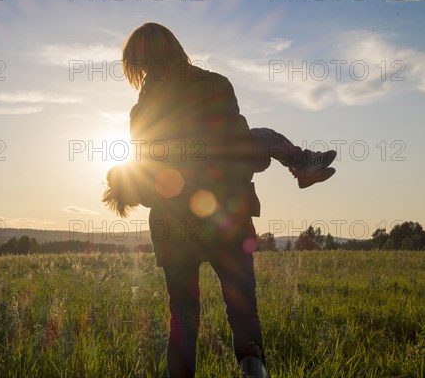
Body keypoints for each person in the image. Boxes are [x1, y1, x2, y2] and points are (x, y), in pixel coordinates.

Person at [112, 22, 335, 378]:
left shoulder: (142, 112)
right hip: (226, 215)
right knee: (243, 311)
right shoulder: (216, 84)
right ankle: (301, 162)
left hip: (173, 224)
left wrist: (126, 185)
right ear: (176, 50)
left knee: (183, 317)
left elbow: (149, 169)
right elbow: (235, 145)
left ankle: (300, 162)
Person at [103, 128, 336, 218]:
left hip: (225, 173)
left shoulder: (149, 190)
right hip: (226, 168)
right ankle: (303, 165)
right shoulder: (154, 181)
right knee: (264, 136)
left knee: (265, 138)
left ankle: (303, 167)